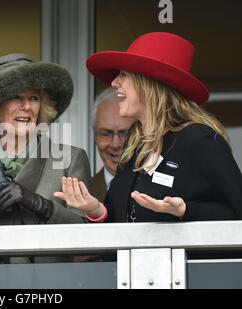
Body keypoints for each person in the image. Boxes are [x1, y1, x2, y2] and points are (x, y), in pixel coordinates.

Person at [56, 32, 242, 222]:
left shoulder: (198, 138)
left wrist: (185, 210)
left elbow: (237, 211)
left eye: (124, 75)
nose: (114, 82)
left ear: (149, 84)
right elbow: (121, 218)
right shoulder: (134, 143)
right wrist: (95, 208)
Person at [0, 53, 102, 263]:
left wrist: (41, 205)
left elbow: (87, 240)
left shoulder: (71, 159)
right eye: (15, 96)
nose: (26, 106)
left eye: (34, 98)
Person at [91, 87, 134, 202]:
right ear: (94, 136)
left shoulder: (158, 190)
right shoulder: (82, 193)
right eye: (106, 133)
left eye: (124, 133)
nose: (115, 144)